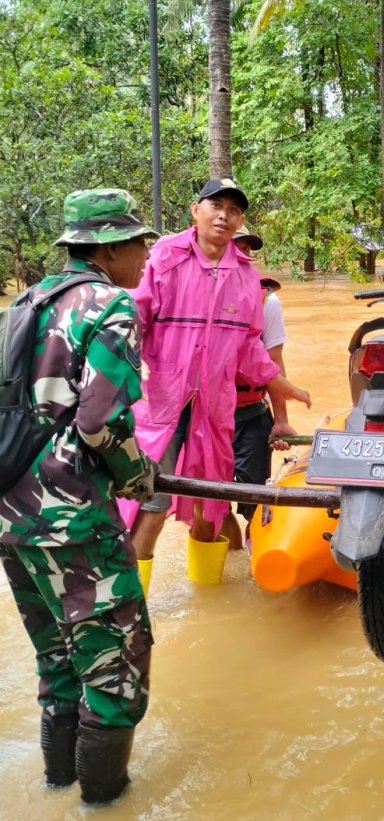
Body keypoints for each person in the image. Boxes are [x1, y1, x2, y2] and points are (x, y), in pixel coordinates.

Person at [0, 188, 158, 805]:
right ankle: (103, 805)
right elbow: (99, 422)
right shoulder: (111, 304)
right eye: (139, 243)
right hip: (72, 519)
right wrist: (136, 478)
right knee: (115, 665)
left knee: (58, 662)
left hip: (10, 516)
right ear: (110, 246)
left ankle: (54, 790)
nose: (146, 255)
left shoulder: (23, 303)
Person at [122, 179, 311, 581]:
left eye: (234, 210)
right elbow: (133, 321)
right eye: (216, 205)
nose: (224, 215)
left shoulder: (245, 276)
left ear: (241, 219)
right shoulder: (162, 258)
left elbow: (250, 348)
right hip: (162, 405)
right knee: (151, 508)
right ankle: (129, 613)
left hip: (216, 407)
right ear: (196, 209)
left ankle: (206, 599)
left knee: (212, 506)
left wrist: (285, 388)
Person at [231, 226, 297, 535]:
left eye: (247, 250)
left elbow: (274, 362)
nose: (242, 256)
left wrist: (280, 420)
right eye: (235, 247)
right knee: (206, 511)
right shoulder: (193, 291)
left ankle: (252, 573)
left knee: (254, 508)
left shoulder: (266, 300)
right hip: (206, 417)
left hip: (251, 413)